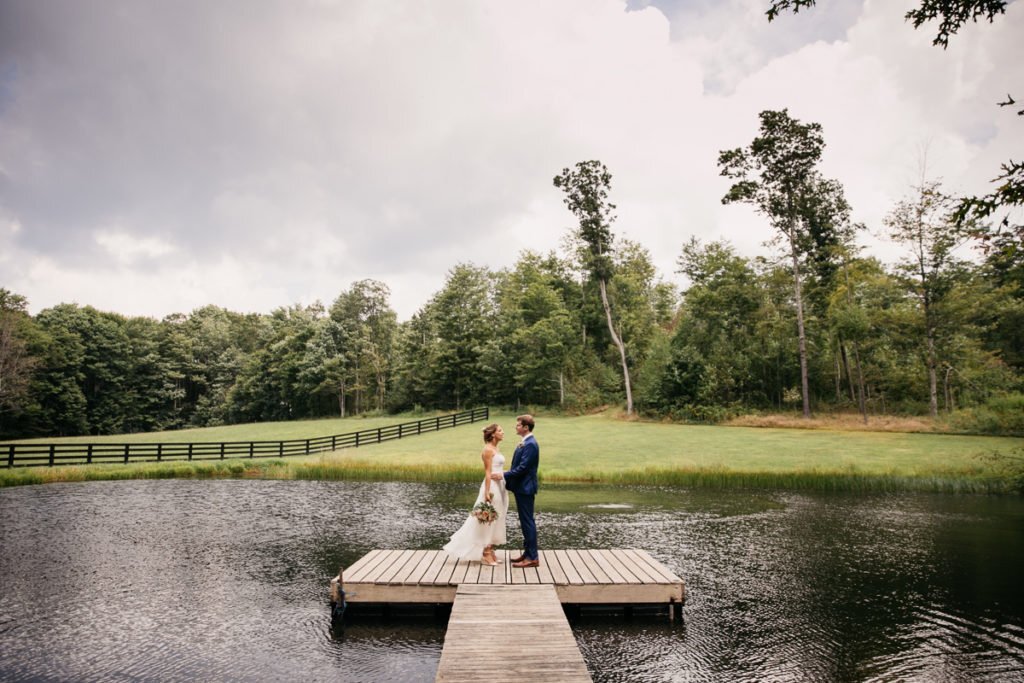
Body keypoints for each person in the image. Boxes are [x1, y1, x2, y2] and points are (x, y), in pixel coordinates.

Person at [443, 423, 508, 565]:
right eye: (500, 430)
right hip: (491, 487)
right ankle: (485, 553)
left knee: (496, 517)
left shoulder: (496, 448)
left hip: (501, 486)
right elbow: (488, 472)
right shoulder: (487, 450)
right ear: (492, 434)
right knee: (488, 518)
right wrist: (487, 492)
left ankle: (490, 550)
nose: (503, 433)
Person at [491, 414, 539, 568]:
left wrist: (503, 474)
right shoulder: (525, 443)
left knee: (527, 522)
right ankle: (527, 553)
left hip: (526, 488)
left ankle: (532, 557)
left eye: (518, 425)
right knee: (525, 522)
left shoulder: (530, 444)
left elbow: (523, 468)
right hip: (521, 487)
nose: (516, 427)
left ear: (526, 427)